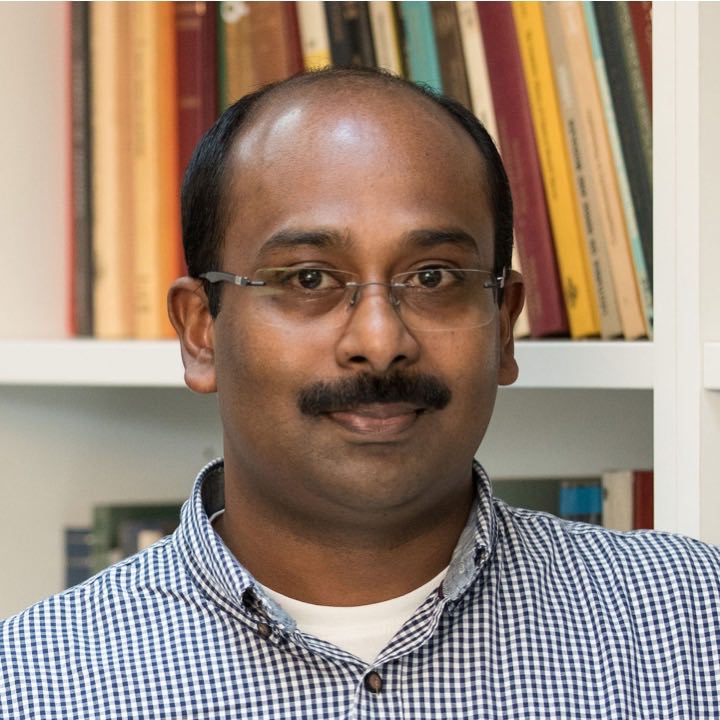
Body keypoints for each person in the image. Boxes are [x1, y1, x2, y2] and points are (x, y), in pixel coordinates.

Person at [1, 67, 719, 719]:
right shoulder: (33, 685)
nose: (380, 340)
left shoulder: (691, 628)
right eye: (308, 278)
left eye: (434, 277)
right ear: (200, 333)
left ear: (504, 326)